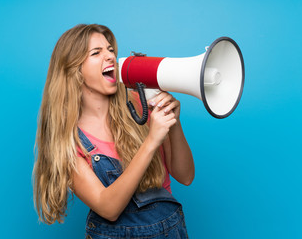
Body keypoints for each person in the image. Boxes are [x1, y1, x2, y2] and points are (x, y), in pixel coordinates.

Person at [33, 24, 194, 239]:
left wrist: (174, 123)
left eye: (110, 50)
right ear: (73, 69)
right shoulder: (69, 142)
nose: (110, 56)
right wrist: (151, 141)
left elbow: (186, 176)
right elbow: (108, 209)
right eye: (96, 53)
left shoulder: (139, 106)